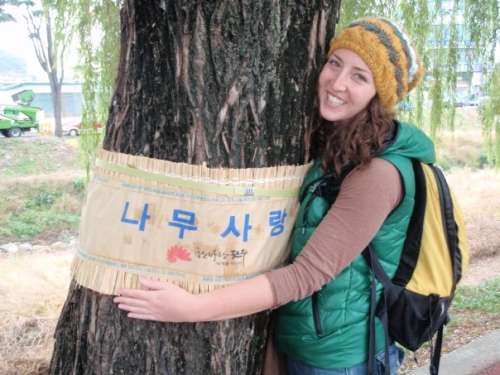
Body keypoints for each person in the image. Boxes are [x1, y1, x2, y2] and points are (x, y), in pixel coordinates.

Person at [113, 17, 435, 375]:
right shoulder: (339, 146)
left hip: (340, 360)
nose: (337, 82)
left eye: (359, 76)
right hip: (306, 343)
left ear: (380, 95)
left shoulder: (377, 173)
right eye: (335, 63)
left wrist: (190, 309)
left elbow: (307, 275)